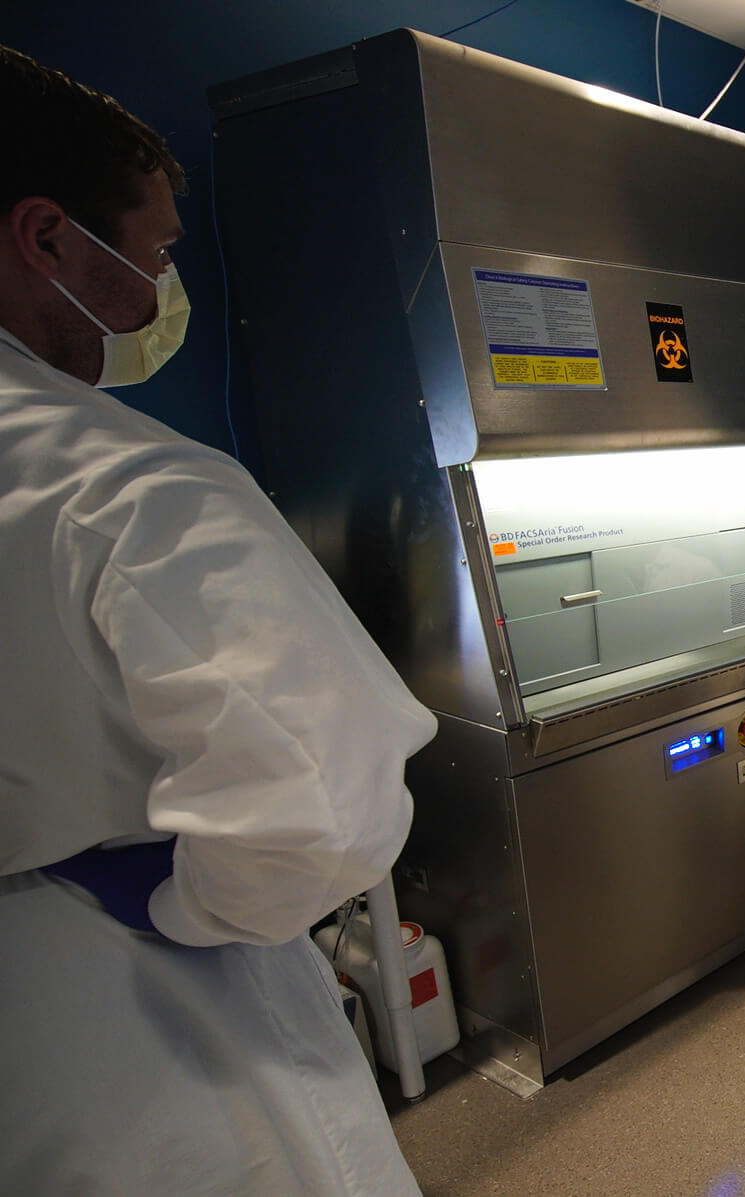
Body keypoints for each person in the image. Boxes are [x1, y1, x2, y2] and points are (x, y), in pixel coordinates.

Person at [0, 45, 437, 1193]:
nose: (158, 292)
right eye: (150, 251)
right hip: (149, 1012)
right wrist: (186, 907)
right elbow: (325, 810)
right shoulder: (126, 484)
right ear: (45, 238)